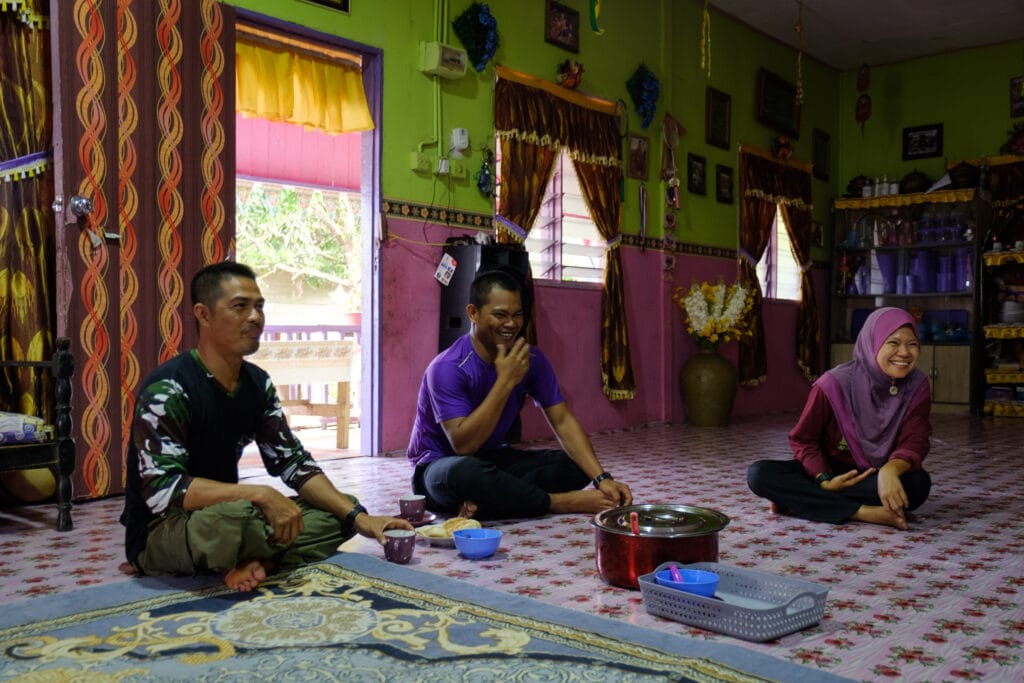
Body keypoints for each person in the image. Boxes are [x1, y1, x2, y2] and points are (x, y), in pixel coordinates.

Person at [120, 261, 411, 591]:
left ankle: (255, 563)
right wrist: (260, 494)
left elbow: (293, 463)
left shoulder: (258, 384)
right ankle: (248, 557)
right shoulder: (169, 387)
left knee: (337, 510)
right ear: (203, 314)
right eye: (240, 306)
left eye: (259, 306)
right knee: (238, 518)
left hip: (230, 515)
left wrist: (360, 519)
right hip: (165, 528)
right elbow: (162, 491)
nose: (255, 317)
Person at [407, 269, 632, 520]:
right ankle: (556, 502)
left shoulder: (532, 359)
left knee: (576, 465)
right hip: (440, 468)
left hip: (492, 460)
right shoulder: (447, 368)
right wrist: (505, 381)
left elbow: (562, 420)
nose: (511, 324)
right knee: (467, 473)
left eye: (517, 315)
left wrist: (601, 478)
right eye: (500, 315)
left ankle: (488, 502)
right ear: (473, 313)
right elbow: (464, 445)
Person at [747, 307, 932, 530]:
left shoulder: (917, 386)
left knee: (918, 484)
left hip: (873, 477)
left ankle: (801, 502)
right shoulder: (833, 384)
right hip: (828, 471)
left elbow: (916, 440)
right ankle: (864, 512)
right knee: (759, 475)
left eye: (912, 344)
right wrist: (824, 480)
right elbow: (804, 439)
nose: (904, 352)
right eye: (893, 343)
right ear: (872, 342)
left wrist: (890, 471)